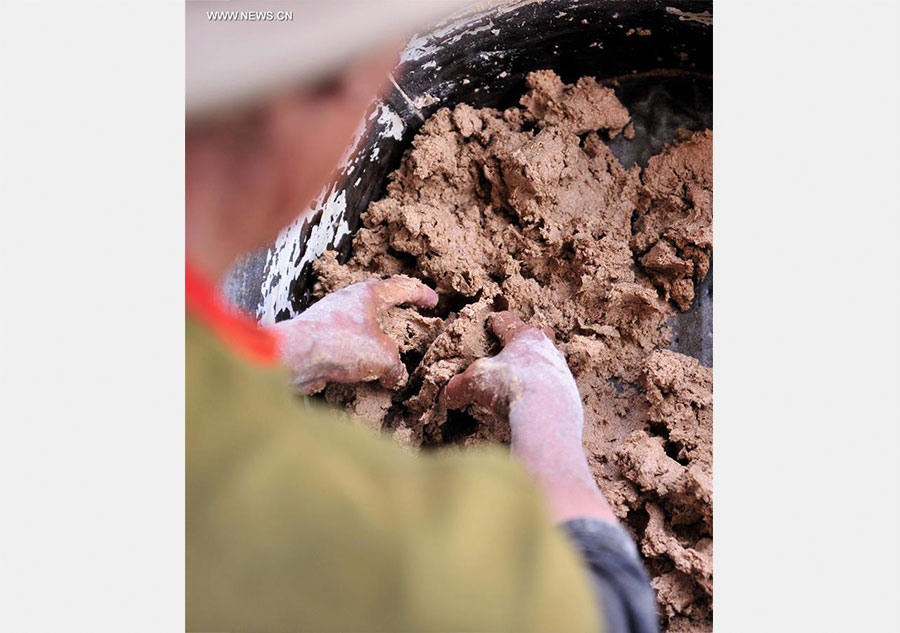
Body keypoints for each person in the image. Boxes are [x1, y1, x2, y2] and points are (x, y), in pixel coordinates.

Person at [186, 42, 659, 633]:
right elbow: (606, 606)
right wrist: (549, 419)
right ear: (299, 109)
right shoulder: (311, 520)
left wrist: (291, 349)